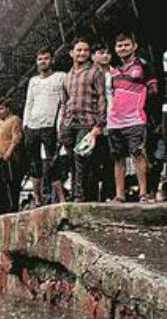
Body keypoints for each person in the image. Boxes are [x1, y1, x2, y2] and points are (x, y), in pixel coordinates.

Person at [108, 33, 159, 203]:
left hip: (135, 120)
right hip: (115, 121)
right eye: (119, 46)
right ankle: (120, 195)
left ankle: (143, 194)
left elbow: (154, 91)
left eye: (126, 45)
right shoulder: (114, 70)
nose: (123, 48)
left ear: (134, 46)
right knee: (118, 158)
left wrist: (144, 111)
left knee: (138, 154)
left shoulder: (144, 65)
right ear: (115, 50)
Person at [59, 38, 107, 202]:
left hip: (87, 121)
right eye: (79, 50)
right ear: (72, 53)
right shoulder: (67, 76)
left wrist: (100, 123)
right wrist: (62, 124)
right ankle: (75, 194)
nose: (82, 53)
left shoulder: (95, 72)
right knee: (71, 160)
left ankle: (80, 196)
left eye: (86, 50)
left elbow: (102, 97)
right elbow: (64, 102)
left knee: (82, 157)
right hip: (69, 123)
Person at [23, 48, 68, 206]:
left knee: (52, 162)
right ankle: (38, 199)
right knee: (34, 164)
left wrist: (60, 125)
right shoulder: (33, 81)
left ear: (52, 60)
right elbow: (29, 103)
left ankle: (61, 198)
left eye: (46, 58)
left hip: (50, 125)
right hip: (33, 126)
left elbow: (64, 103)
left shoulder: (61, 76)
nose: (43, 61)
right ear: (37, 61)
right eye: (40, 59)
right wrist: (25, 125)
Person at [0, 100, 24, 213]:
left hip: (9, 158)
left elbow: (17, 138)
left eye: (1, 109)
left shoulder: (14, 120)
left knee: (11, 183)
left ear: (7, 109)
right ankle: (0, 208)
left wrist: (9, 152)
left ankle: (13, 207)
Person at [91, 44, 116, 201]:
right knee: (92, 161)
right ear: (93, 56)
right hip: (92, 122)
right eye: (101, 53)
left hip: (113, 120)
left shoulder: (116, 73)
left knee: (111, 159)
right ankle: (91, 196)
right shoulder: (89, 74)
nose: (105, 56)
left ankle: (110, 194)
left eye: (108, 53)